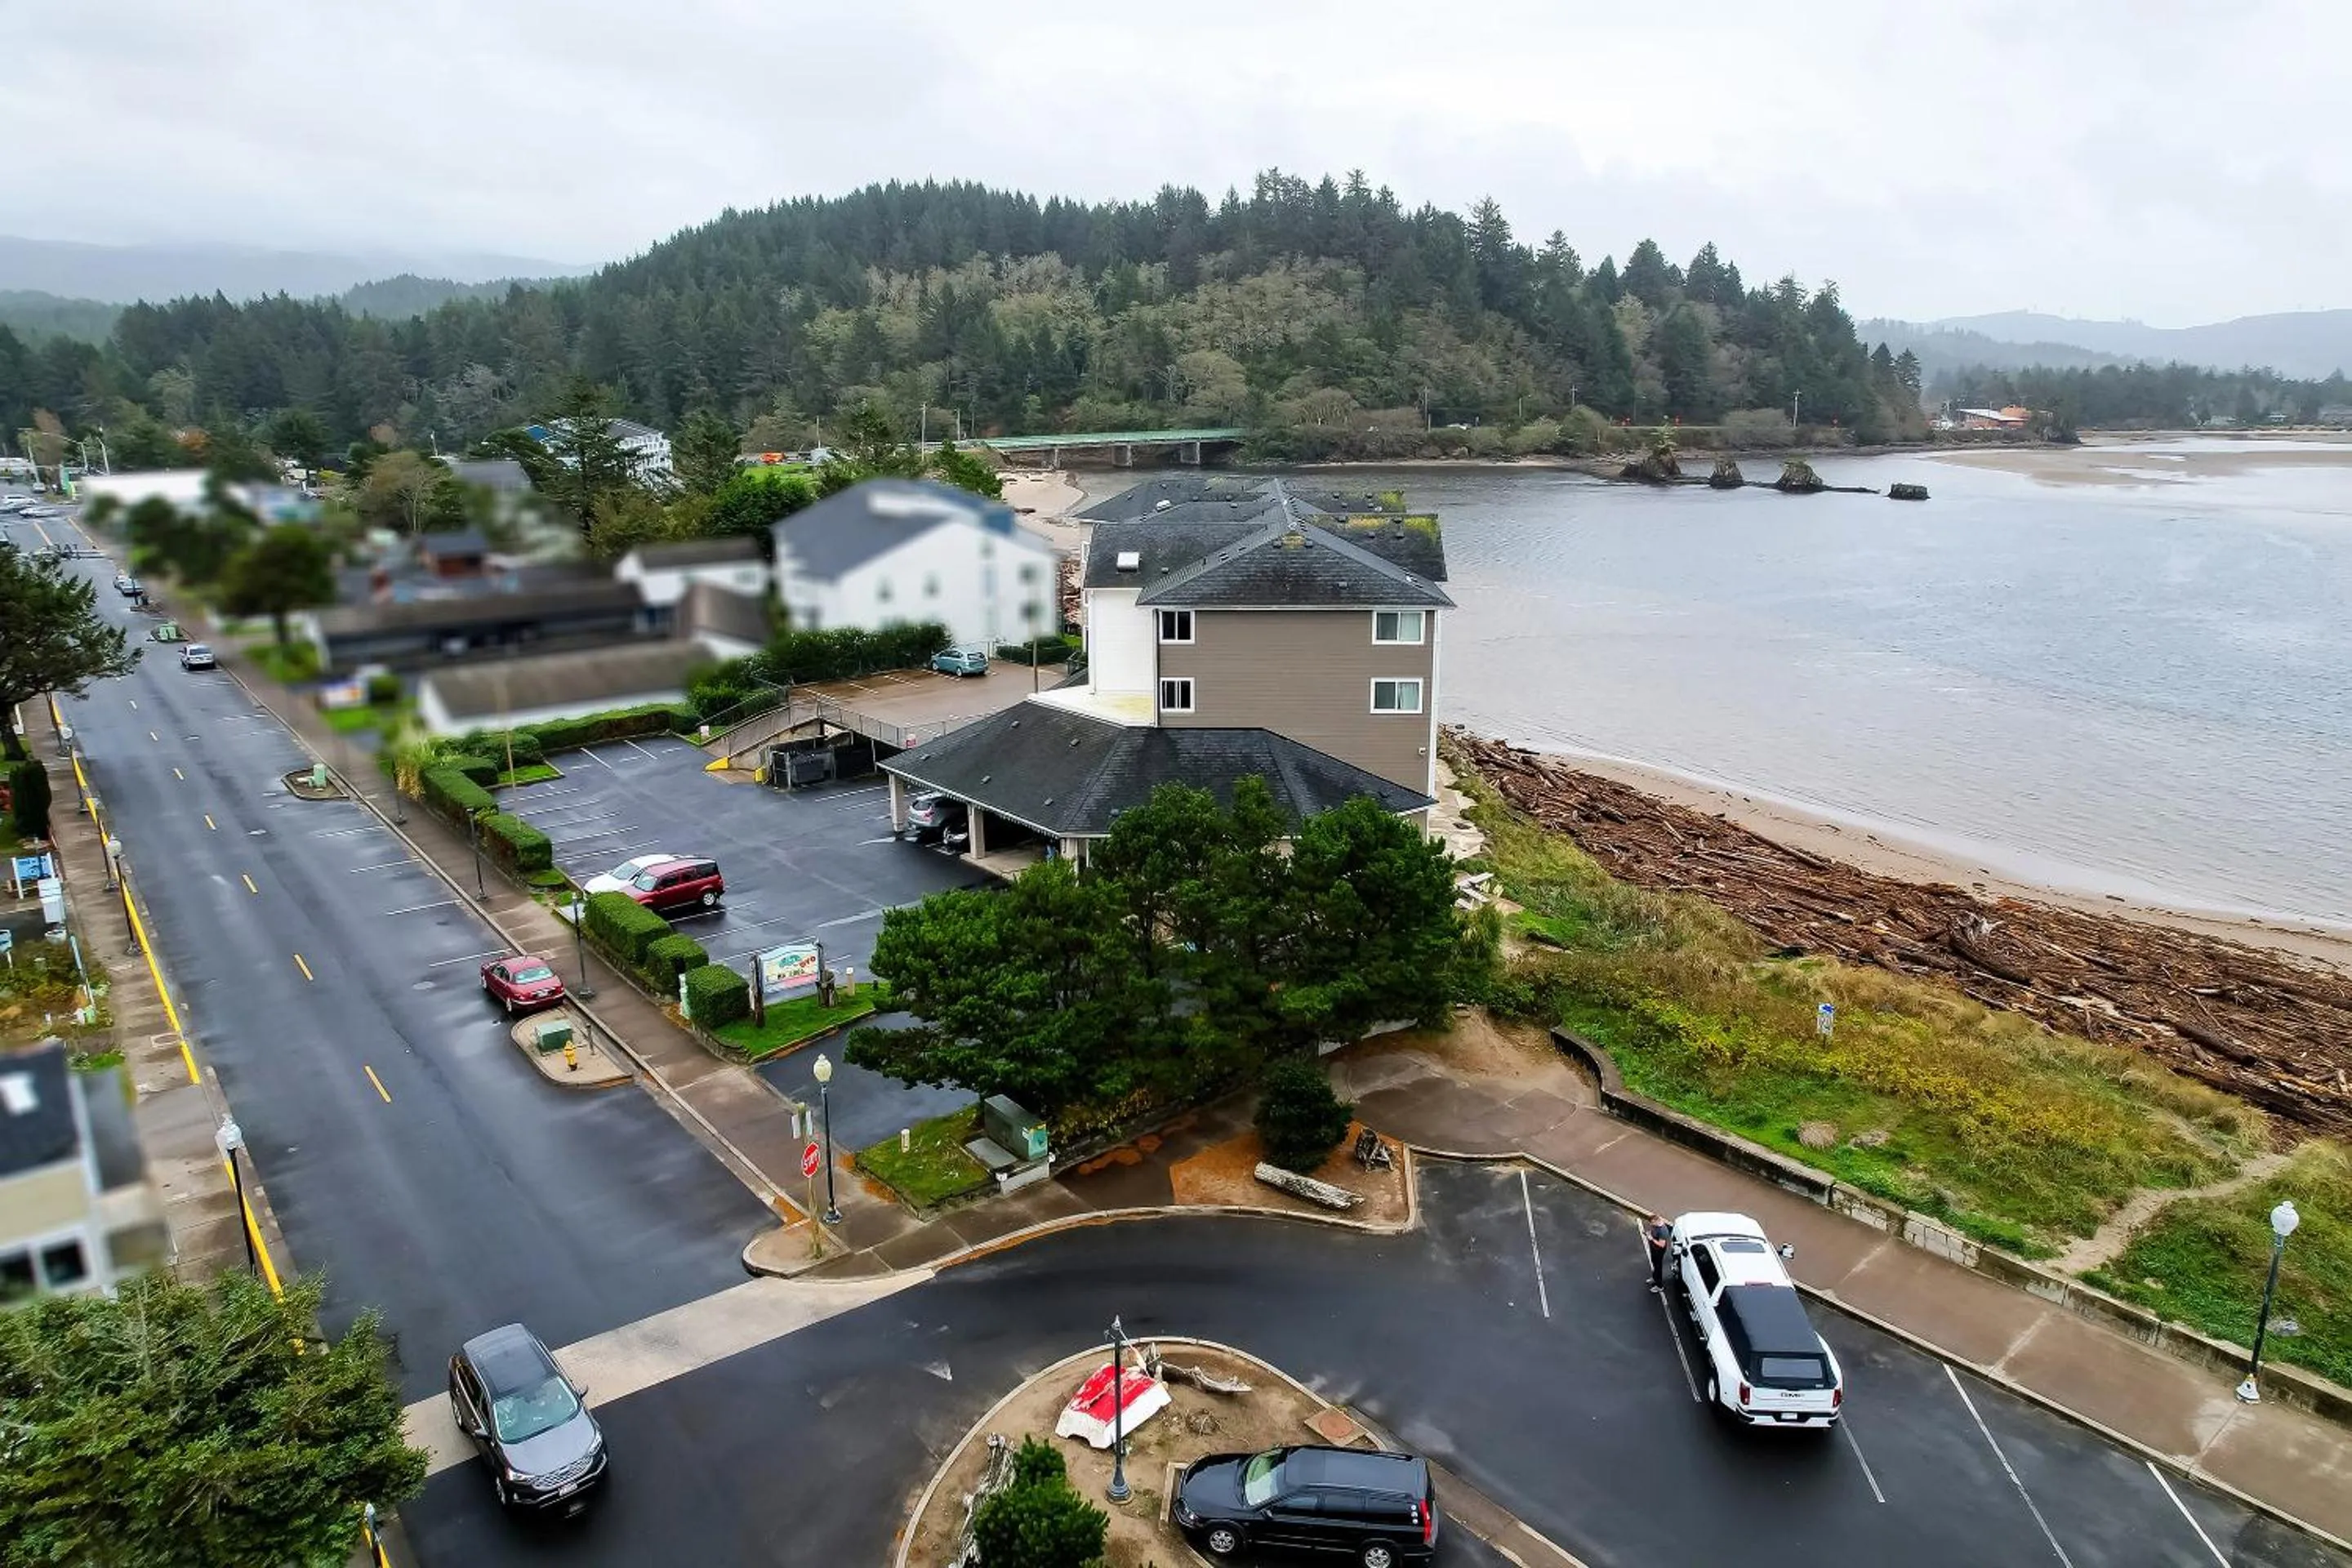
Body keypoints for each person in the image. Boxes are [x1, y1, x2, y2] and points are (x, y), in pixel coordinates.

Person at [1646, 1214, 1675, 1294]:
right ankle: (1654, 1278)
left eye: (1652, 1223)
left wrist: (1651, 1239)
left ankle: (1659, 1286)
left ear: (1656, 1221)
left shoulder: (1663, 1231)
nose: (1651, 1224)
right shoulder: (1656, 1225)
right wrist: (1649, 1234)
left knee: (1658, 1267)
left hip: (1658, 1251)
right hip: (1654, 1249)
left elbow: (1662, 1245)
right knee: (1654, 1264)